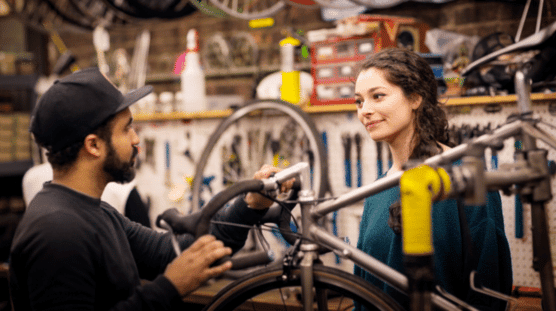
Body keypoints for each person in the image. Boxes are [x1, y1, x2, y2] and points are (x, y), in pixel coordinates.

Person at [9, 67, 287, 310]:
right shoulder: (57, 233)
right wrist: (170, 287)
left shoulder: (93, 212)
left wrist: (250, 205)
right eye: (126, 129)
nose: (136, 139)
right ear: (93, 145)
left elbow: (171, 253)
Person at [353, 48, 512, 310]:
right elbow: (363, 289)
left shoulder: (465, 180)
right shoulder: (376, 191)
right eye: (359, 101)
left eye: (378, 96)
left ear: (415, 98)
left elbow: (489, 285)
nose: (365, 111)